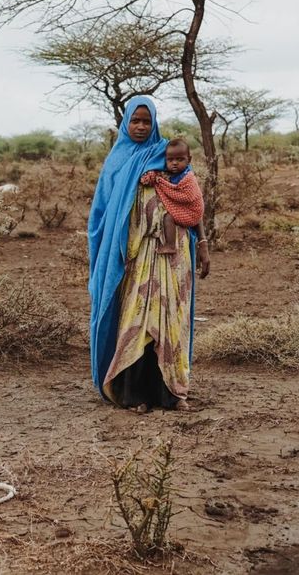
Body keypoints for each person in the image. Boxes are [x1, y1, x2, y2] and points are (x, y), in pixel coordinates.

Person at [88, 96, 210, 414]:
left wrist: (203, 242)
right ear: (126, 123)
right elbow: (102, 216)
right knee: (137, 320)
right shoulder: (116, 162)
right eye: (135, 121)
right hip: (136, 255)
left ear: (154, 122)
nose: (141, 126)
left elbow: (192, 200)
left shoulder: (167, 153)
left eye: (146, 121)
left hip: (172, 256)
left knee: (172, 320)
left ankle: (171, 393)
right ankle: (134, 395)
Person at [139, 138, 205, 256]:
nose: (174, 163)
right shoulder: (168, 173)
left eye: (179, 159)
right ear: (165, 160)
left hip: (190, 213)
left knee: (168, 217)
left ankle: (170, 245)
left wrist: (160, 183)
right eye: (170, 160)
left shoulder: (187, 177)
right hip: (142, 242)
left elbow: (188, 196)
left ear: (189, 160)